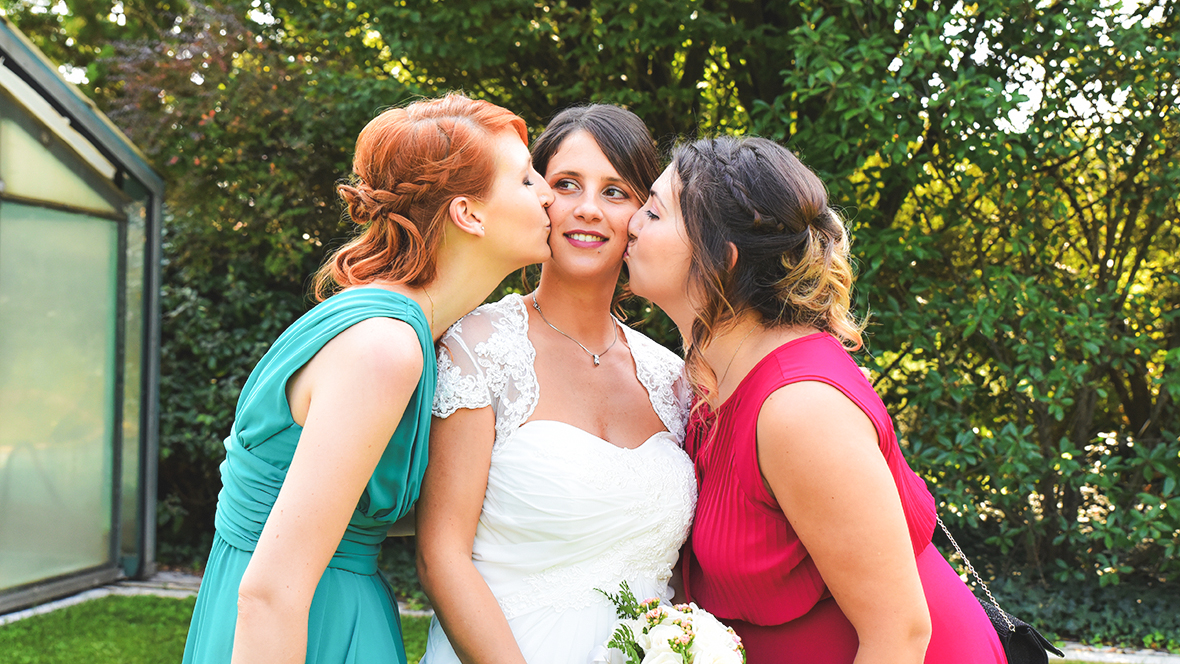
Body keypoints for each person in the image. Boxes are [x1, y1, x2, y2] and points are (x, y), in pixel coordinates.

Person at [181, 93, 555, 664]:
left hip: (331, 606)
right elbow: (269, 594)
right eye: (527, 181)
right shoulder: (384, 347)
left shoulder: (403, 330)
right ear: (469, 214)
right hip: (299, 626)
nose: (548, 194)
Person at [625, 136, 1007, 664]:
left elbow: (900, 634)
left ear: (722, 260)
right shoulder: (708, 379)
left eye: (654, 212)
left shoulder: (799, 409)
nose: (631, 223)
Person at [416, 105, 696, 664]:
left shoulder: (674, 379)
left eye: (616, 192)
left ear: (642, 216)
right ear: (538, 196)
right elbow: (440, 557)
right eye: (566, 185)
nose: (587, 209)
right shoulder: (477, 347)